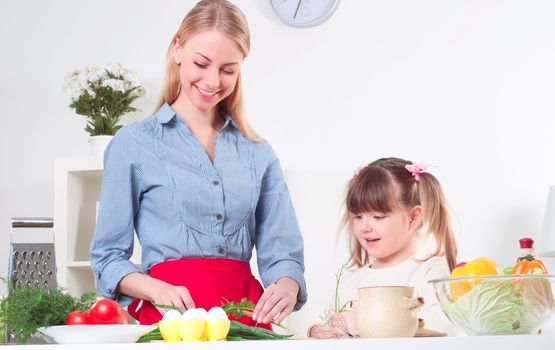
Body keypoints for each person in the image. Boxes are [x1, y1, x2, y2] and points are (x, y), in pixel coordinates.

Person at [90, 0, 306, 328]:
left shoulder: (258, 153)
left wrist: (287, 286)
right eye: (201, 63)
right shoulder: (132, 144)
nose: (213, 80)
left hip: (245, 323)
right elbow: (107, 258)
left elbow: (283, 255)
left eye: (228, 69)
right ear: (177, 49)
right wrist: (155, 289)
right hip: (168, 323)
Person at [309, 157, 458, 338]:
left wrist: (363, 322)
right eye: (358, 217)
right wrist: (318, 331)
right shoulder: (350, 283)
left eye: (378, 217)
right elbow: (330, 321)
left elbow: (446, 325)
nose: (365, 227)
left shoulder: (428, 272)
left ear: (413, 218)